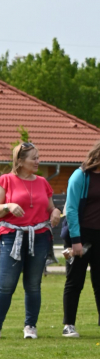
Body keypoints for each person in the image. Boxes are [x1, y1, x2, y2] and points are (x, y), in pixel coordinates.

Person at [0, 141, 61, 340]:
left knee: (33, 284)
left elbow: (51, 208)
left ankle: (30, 326)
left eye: (38, 157)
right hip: (12, 236)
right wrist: (9, 206)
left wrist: (56, 213)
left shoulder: (42, 182)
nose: (38, 161)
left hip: (39, 237)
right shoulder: (5, 180)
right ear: (20, 161)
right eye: (34, 158)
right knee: (6, 284)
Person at [61, 140, 100, 337]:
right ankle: (69, 325)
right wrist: (76, 240)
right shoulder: (80, 176)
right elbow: (71, 210)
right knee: (75, 280)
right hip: (80, 234)